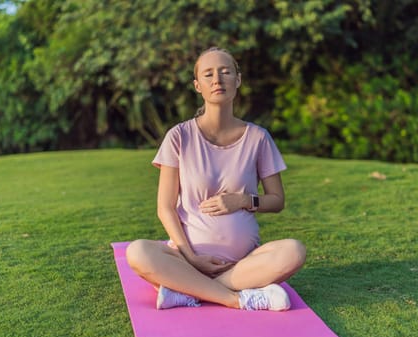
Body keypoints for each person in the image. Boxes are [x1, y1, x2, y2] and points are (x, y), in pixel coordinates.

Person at [126, 47, 306, 311]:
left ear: (238, 80)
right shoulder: (179, 136)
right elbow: (165, 208)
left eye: (225, 72)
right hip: (185, 260)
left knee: (294, 251)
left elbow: (277, 200)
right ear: (198, 85)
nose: (217, 80)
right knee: (138, 252)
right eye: (208, 74)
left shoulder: (258, 138)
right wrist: (191, 258)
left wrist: (243, 200)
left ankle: (189, 291)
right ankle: (235, 298)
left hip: (242, 265)